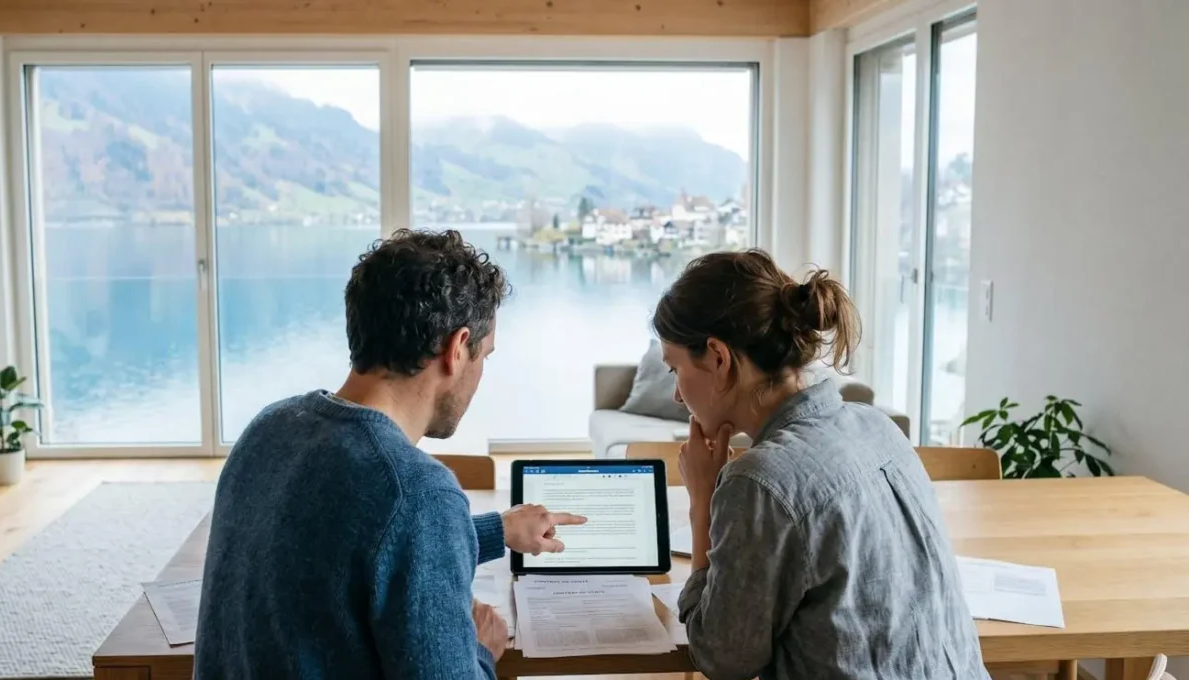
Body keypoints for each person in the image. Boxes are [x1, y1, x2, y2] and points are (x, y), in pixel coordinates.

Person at [194, 229, 586, 680]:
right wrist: (480, 650)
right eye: (485, 356)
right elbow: (402, 523)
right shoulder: (416, 491)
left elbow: (360, 544)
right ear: (457, 349)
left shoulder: (268, 428)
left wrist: (497, 530)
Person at [656, 249, 989, 680]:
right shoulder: (877, 426)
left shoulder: (758, 481)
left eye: (674, 369)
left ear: (718, 358)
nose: (677, 396)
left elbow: (722, 658)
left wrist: (703, 501)